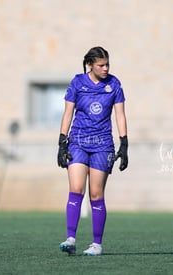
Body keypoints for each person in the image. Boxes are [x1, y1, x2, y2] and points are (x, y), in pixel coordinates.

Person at [57, 46, 128, 256]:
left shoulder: (114, 84)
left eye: (107, 64)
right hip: (78, 142)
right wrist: (62, 141)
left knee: (96, 194)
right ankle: (70, 238)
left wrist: (124, 143)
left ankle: (97, 244)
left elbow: (120, 115)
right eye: (101, 65)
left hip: (102, 144)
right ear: (90, 65)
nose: (105, 68)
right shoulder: (78, 82)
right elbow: (68, 112)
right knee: (76, 189)